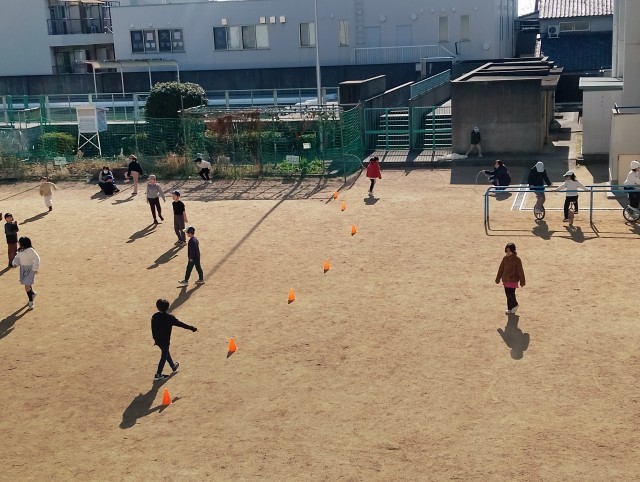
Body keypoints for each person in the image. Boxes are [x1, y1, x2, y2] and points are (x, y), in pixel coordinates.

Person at [151, 298, 197, 381]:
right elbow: (181, 324)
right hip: (165, 340)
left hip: (157, 339)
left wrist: (155, 339)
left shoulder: (154, 316)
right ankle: (158, 374)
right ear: (168, 307)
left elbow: (153, 328)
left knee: (166, 352)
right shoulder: (170, 318)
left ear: (157, 307)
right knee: (164, 355)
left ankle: (173, 367)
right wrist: (191, 328)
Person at [495, 242, 525, 315]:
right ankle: (510, 309)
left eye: (509, 251)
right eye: (506, 251)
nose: (508, 252)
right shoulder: (505, 258)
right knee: (507, 295)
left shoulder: (517, 260)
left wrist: (522, 281)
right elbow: (501, 269)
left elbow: (520, 271)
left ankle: (515, 305)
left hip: (513, 280)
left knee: (510, 294)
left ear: (513, 251)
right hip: (505, 280)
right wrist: (498, 278)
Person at [12, 236, 40, 310]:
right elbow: (17, 258)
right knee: (27, 283)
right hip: (23, 269)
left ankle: (31, 302)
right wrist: (15, 263)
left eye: (19, 242)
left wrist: (35, 268)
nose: (18, 243)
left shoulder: (31, 250)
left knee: (27, 286)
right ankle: (32, 293)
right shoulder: (20, 251)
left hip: (30, 269)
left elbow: (37, 258)